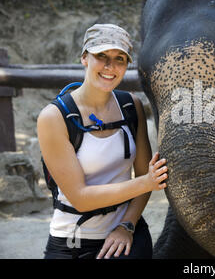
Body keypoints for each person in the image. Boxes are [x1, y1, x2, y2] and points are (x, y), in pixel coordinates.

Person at [37, 23, 168, 259]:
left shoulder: (131, 105)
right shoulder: (53, 117)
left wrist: (126, 226)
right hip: (73, 243)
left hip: (127, 237)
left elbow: (142, 173)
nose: (110, 67)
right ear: (84, 58)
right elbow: (80, 198)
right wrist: (148, 182)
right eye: (101, 56)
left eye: (120, 58)